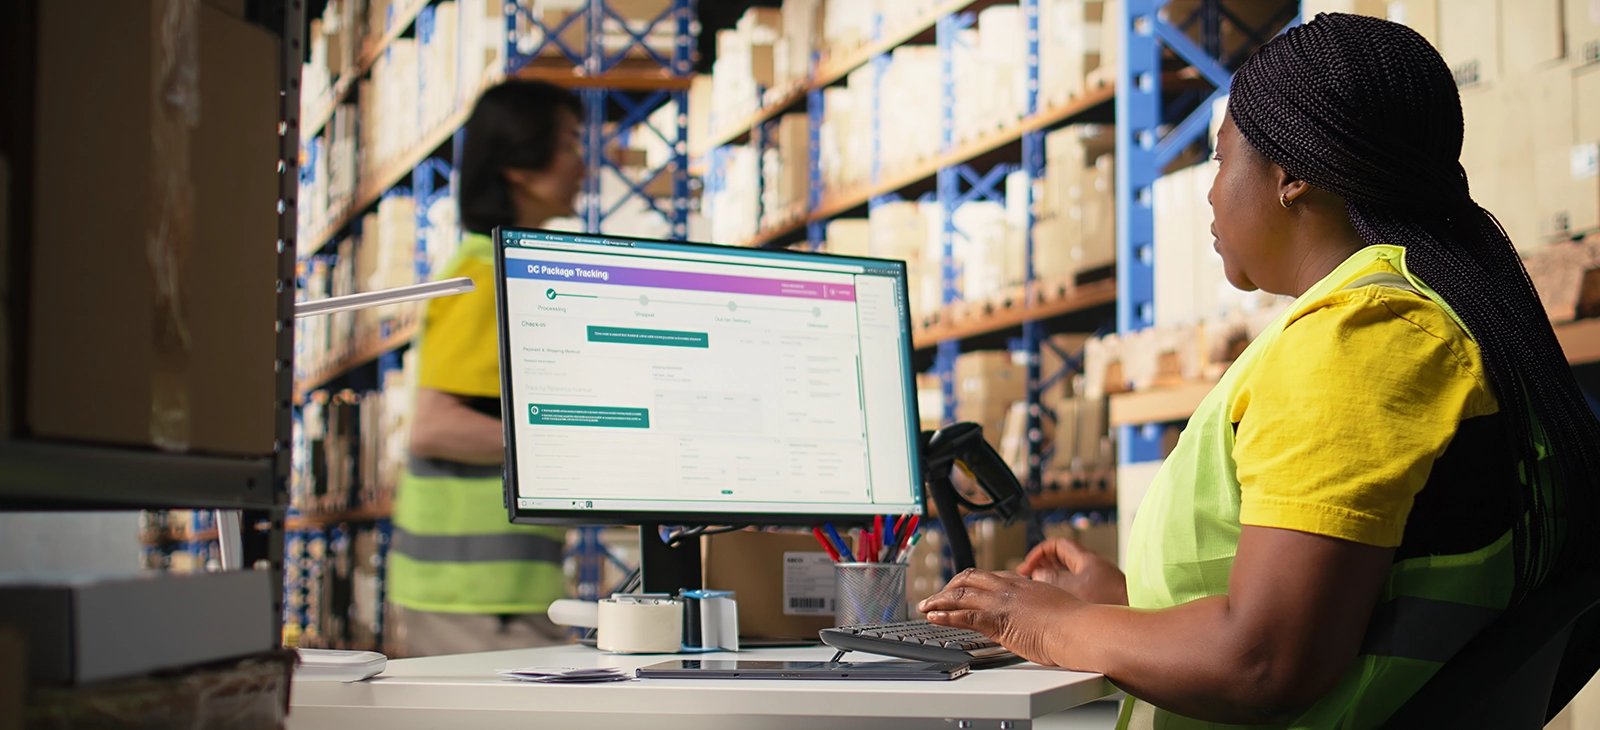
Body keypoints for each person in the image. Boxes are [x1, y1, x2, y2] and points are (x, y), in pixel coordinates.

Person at [918, 13, 1600, 728]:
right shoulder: (1423, 318)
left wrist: (1048, 625)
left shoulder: (1359, 340)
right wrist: (1120, 601)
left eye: (1219, 160)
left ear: (1292, 175)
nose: (1211, 193)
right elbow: (1343, 606)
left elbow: (1261, 661)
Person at [386, 80, 587, 657]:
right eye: (570, 144)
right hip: (471, 594)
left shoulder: (506, 268)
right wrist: (565, 450)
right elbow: (435, 427)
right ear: (519, 165)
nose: (582, 165)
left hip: (499, 590)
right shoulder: (484, 274)